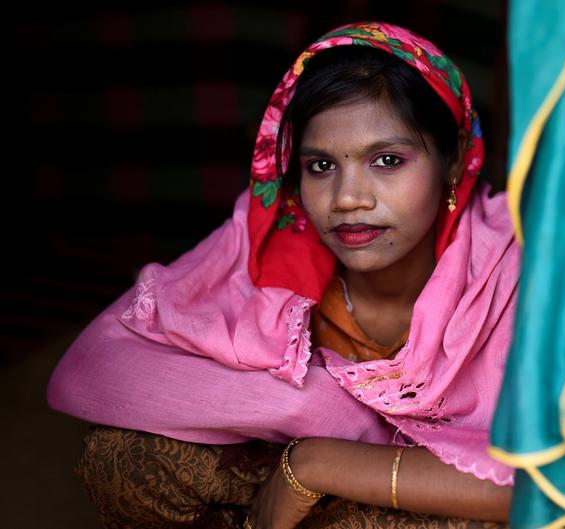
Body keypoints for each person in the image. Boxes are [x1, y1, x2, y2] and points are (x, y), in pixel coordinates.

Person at [47, 21, 519, 529]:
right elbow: (96, 371)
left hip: (417, 497)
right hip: (291, 482)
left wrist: (316, 462)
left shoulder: (511, 267)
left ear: (453, 165)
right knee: (120, 457)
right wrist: (321, 408)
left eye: (387, 160)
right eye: (320, 166)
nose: (348, 199)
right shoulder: (269, 242)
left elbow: (553, 485)